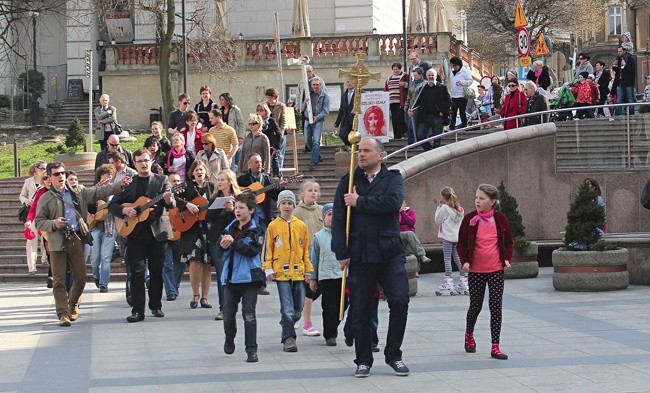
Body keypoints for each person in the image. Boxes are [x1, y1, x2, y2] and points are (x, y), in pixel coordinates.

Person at [331, 138, 410, 378]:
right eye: (359, 150)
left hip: (389, 252)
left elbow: (392, 203)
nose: (361, 154)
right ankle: (363, 359)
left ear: (381, 155)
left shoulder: (393, 178)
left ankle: (393, 354)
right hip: (361, 253)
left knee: (399, 301)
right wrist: (341, 251)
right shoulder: (349, 181)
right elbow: (338, 218)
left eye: (366, 150)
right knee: (361, 310)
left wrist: (360, 202)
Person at [35, 161, 127, 326]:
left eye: (62, 173)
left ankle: (73, 304)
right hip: (56, 242)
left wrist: (120, 185)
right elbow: (39, 222)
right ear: (49, 177)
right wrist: (54, 223)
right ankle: (63, 314)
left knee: (81, 278)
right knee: (59, 280)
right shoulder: (45, 198)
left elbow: (99, 192)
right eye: (56, 174)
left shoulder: (78, 191)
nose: (61, 176)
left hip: (76, 238)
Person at [108, 148, 175, 322]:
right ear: (135, 163)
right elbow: (113, 205)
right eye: (140, 161)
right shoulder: (129, 182)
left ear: (151, 160)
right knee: (137, 273)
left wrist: (169, 200)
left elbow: (171, 204)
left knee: (156, 272)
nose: (143, 164)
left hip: (157, 233)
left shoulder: (162, 180)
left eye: (146, 160)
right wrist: (125, 209)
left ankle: (156, 305)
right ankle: (138, 310)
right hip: (135, 234)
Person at [457, 183, 513, 360]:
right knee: (476, 305)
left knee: (496, 306)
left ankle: (495, 346)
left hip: (496, 269)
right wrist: (465, 261)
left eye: (482, 198)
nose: (477, 201)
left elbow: (509, 243)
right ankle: (469, 335)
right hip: (476, 270)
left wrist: (506, 259)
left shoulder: (501, 219)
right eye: (476, 197)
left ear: (493, 201)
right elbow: (461, 244)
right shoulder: (469, 219)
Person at [263, 190, 314, 353]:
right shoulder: (273, 226)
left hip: (298, 271)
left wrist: (308, 269)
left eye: (290, 203)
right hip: (281, 272)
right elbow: (267, 249)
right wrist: (267, 268)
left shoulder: (300, 226)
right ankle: (289, 338)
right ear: (278, 206)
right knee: (287, 307)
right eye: (284, 203)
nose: (287, 206)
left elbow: (306, 249)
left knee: (297, 306)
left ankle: (288, 321)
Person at [220, 192, 265, 363]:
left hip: (249, 279)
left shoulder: (257, 229)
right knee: (228, 314)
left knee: (249, 314)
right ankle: (229, 338)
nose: (237, 211)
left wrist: (234, 243)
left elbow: (252, 250)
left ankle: (251, 349)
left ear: (251, 210)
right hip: (231, 278)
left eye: (241, 208)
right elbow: (220, 250)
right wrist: (223, 246)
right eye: (236, 208)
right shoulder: (229, 228)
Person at [177, 160, 215, 309]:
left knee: (207, 263)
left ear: (206, 171)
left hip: (208, 227)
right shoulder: (186, 186)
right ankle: (195, 295)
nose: (199, 172)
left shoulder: (212, 187)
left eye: (202, 170)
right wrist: (187, 204)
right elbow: (173, 197)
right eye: (196, 170)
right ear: (192, 172)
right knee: (194, 261)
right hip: (192, 228)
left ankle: (205, 298)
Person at [309, 203, 347, 346]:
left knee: (344, 303)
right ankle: (330, 334)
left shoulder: (344, 234)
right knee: (329, 306)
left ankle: (335, 325)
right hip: (326, 276)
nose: (332, 218)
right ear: (323, 218)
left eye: (335, 215)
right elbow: (314, 258)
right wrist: (313, 277)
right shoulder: (318, 237)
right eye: (329, 215)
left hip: (342, 274)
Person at [293, 180, 323, 338]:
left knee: (318, 288)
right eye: (309, 190)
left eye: (315, 190)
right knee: (309, 290)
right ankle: (307, 323)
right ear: (302, 193)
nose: (313, 193)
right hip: (305, 257)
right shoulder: (297, 212)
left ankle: (296, 311)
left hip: (322, 256)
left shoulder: (322, 210)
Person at [209, 169, 240, 320]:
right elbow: (208, 217)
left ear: (230, 181)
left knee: (234, 274)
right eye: (218, 179)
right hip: (217, 239)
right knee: (222, 273)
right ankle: (224, 308)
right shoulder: (215, 197)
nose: (219, 182)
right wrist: (221, 207)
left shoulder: (240, 198)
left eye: (223, 179)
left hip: (235, 239)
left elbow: (245, 218)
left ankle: (234, 304)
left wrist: (232, 210)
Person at [88, 164, 118, 292]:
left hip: (110, 228)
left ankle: (103, 284)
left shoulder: (116, 191)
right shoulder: (93, 190)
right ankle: (96, 275)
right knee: (95, 259)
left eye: (111, 176)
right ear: (100, 176)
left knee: (106, 257)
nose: (109, 179)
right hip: (95, 227)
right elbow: (86, 204)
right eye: (106, 176)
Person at [434, 186, 466, 295]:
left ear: (443, 197)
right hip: (457, 237)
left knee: (447, 258)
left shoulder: (444, 208)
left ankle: (448, 281)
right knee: (457, 257)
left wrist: (438, 207)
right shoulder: (460, 209)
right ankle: (464, 280)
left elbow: (437, 220)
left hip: (447, 237)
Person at [408, 68, 450, 151]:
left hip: (437, 116)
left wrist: (443, 111)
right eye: (429, 75)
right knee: (420, 136)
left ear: (436, 76)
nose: (430, 77)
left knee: (437, 138)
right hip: (425, 116)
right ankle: (429, 152)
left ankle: (436, 155)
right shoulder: (422, 88)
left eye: (432, 75)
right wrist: (411, 110)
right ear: (426, 76)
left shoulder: (442, 87)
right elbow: (418, 102)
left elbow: (448, 101)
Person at [26, 173, 55, 288]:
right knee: (48, 251)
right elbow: (33, 209)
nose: (48, 180)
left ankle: (52, 275)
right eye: (45, 178)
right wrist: (29, 220)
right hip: (45, 227)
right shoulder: (40, 192)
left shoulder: (60, 191)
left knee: (54, 250)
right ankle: (52, 274)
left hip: (58, 224)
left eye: (49, 178)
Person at [20, 160, 47, 274]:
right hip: (31, 212)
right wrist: (26, 201)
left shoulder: (47, 181)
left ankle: (45, 258)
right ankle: (32, 266)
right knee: (31, 239)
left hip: (44, 213)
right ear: (36, 169)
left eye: (46, 168)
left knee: (45, 237)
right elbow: (22, 195)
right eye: (43, 168)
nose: (45, 170)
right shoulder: (28, 181)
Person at [163, 172, 185, 301]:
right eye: (173, 181)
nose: (176, 183)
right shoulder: (162, 196)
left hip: (179, 234)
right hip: (166, 235)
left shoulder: (184, 197)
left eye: (178, 181)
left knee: (181, 264)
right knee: (167, 265)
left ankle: (174, 287)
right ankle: (170, 291)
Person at [302, 77, 330, 171]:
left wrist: (317, 118)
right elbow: (301, 109)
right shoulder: (307, 95)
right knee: (307, 140)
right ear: (311, 86)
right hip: (307, 119)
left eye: (317, 85)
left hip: (317, 120)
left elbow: (326, 111)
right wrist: (305, 103)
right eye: (314, 85)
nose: (315, 86)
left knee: (316, 142)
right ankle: (318, 156)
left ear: (320, 85)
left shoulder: (325, 96)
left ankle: (313, 162)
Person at [399, 201, 431, 268]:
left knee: (411, 241)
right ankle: (422, 256)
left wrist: (403, 212)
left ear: (404, 204)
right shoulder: (394, 213)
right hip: (399, 234)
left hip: (410, 236)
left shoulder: (411, 212)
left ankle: (415, 270)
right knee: (411, 235)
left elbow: (412, 222)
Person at [220, 93, 245, 171]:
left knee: (233, 160)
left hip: (233, 136)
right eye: (220, 100)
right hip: (223, 137)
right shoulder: (220, 111)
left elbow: (241, 124)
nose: (221, 101)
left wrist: (241, 136)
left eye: (223, 99)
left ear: (227, 100)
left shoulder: (235, 110)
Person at [265, 88, 288, 171]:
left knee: (279, 154)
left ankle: (279, 172)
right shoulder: (264, 106)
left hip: (278, 133)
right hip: (268, 133)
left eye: (271, 97)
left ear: (276, 97)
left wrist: (280, 134)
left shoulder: (281, 106)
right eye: (268, 97)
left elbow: (283, 121)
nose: (269, 99)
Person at [257, 103, 282, 177]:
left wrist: (276, 146)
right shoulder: (256, 122)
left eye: (261, 110)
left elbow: (279, 134)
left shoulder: (271, 120)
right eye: (257, 110)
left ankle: (276, 176)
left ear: (266, 111)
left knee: (274, 160)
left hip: (270, 144)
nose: (259, 112)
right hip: (260, 144)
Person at [384, 62, 408, 139]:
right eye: (394, 69)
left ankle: (404, 131)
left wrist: (404, 84)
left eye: (397, 69)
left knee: (399, 116)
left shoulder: (404, 76)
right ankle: (397, 136)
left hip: (400, 101)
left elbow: (409, 85)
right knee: (394, 118)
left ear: (400, 69)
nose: (395, 71)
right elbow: (386, 89)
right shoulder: (389, 78)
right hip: (392, 101)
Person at [449, 56, 473, 131]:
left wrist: (461, 82)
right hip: (454, 94)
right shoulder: (452, 72)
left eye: (455, 65)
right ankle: (452, 127)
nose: (454, 67)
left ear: (458, 65)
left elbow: (470, 80)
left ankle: (464, 125)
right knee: (453, 111)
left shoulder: (465, 71)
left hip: (462, 94)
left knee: (462, 111)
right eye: (453, 65)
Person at [403, 67, 425, 145]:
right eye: (414, 75)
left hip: (420, 107)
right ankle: (411, 143)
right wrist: (406, 106)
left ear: (420, 75)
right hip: (411, 107)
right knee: (410, 126)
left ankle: (418, 141)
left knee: (418, 125)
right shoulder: (412, 84)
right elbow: (409, 96)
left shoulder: (424, 83)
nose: (414, 77)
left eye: (416, 75)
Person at [613, 46, 637, 116]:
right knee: (619, 100)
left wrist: (625, 65)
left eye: (620, 51)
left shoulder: (630, 59)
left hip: (628, 83)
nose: (619, 53)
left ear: (624, 51)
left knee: (630, 99)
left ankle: (632, 115)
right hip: (620, 82)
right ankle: (617, 115)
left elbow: (632, 71)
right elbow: (616, 71)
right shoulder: (619, 59)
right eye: (618, 52)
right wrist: (615, 65)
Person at [335, 79, 355, 146]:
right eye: (348, 81)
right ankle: (350, 146)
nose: (350, 83)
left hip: (355, 119)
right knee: (342, 134)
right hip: (346, 119)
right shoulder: (344, 95)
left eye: (351, 81)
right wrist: (337, 122)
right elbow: (341, 109)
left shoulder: (360, 93)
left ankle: (356, 148)